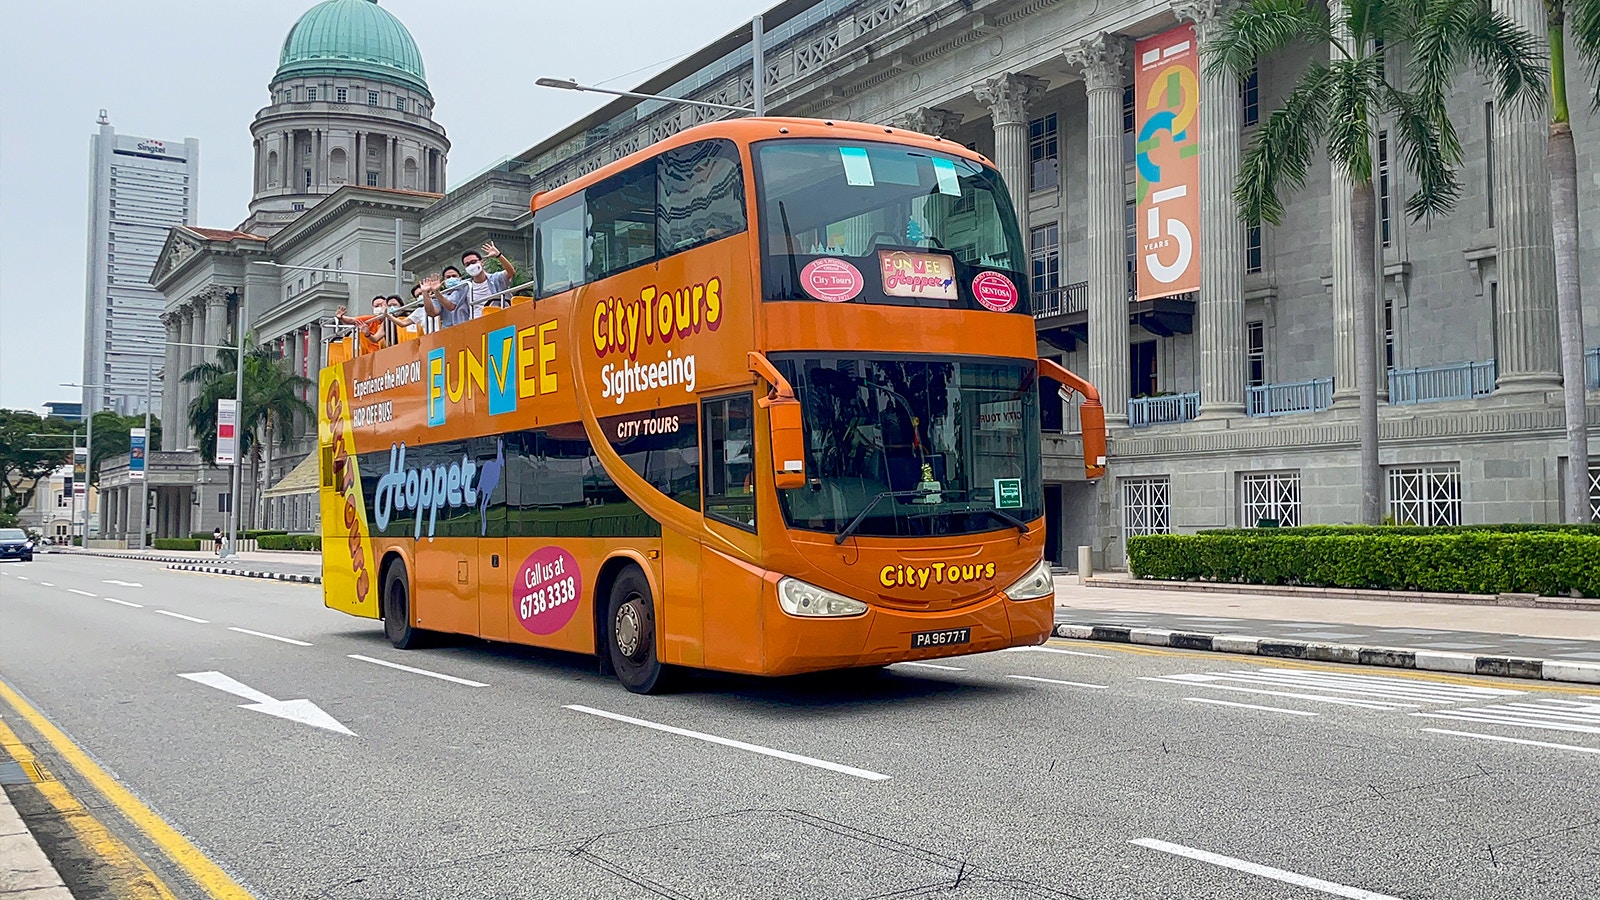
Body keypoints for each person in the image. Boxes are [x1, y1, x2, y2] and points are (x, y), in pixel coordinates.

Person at [442, 242, 515, 321]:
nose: (471, 266)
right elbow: (450, 306)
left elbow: (510, 272)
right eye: (467, 264)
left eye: (473, 262)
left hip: (499, 319)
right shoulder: (465, 286)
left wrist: (498, 255)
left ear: (482, 262)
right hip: (476, 324)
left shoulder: (495, 279)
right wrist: (436, 292)